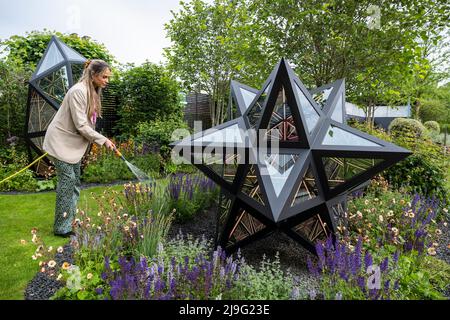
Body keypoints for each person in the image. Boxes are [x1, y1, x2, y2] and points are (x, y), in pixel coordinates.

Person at [43, 59, 115, 237]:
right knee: (67, 184)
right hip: (60, 142)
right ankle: (61, 227)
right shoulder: (78, 91)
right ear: (93, 75)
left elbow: (88, 123)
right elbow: (81, 125)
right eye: (104, 77)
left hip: (71, 145)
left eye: (108, 77)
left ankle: (70, 221)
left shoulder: (92, 92)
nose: (107, 81)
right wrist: (103, 140)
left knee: (75, 183)